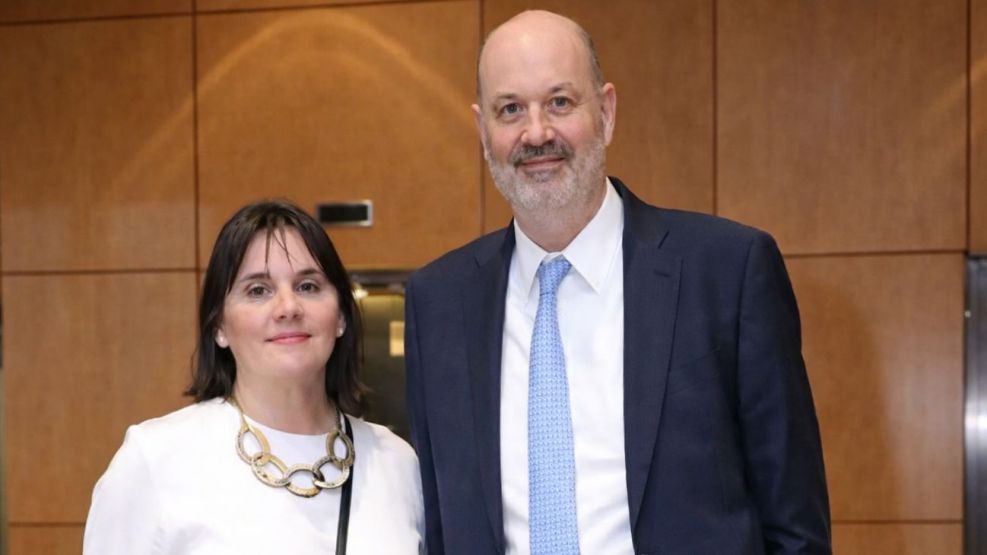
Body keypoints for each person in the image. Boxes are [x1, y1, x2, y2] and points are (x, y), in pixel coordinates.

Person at [404, 9, 830, 555]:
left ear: (605, 112)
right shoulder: (437, 303)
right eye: (511, 109)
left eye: (560, 102)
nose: (537, 133)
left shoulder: (728, 271)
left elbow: (796, 528)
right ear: (483, 131)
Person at [84, 200, 424, 554]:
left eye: (308, 286)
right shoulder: (154, 460)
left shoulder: (397, 463)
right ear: (219, 327)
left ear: (340, 316)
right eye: (258, 290)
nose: (288, 307)